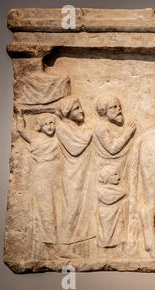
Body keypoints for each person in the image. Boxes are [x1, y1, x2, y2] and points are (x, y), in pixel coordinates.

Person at [16, 112, 63, 257]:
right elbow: (21, 130)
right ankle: (46, 244)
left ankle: (54, 243)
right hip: (41, 177)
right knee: (45, 209)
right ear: (40, 126)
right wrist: (19, 116)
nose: (50, 126)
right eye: (46, 124)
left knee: (56, 210)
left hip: (55, 178)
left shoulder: (58, 139)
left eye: (52, 123)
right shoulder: (35, 138)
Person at [55, 95, 95, 258]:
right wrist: (89, 133)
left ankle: (79, 245)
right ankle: (63, 247)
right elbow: (74, 148)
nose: (82, 111)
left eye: (80, 107)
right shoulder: (62, 127)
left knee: (82, 210)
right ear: (66, 112)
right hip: (73, 174)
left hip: (84, 173)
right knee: (71, 209)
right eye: (76, 108)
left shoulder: (75, 128)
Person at [97, 165, 127, 256]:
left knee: (119, 230)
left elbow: (122, 193)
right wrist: (119, 193)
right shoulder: (101, 190)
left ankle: (119, 250)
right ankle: (102, 251)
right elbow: (108, 199)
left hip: (117, 213)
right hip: (106, 215)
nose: (118, 177)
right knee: (105, 233)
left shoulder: (117, 189)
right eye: (115, 175)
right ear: (107, 177)